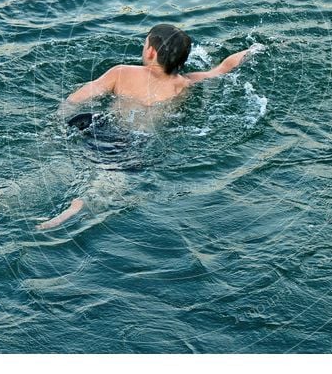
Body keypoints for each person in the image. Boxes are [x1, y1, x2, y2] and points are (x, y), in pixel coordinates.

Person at [37, 24, 259, 229]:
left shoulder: (121, 72)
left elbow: (75, 100)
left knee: (64, 168)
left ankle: (6, 196)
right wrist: (252, 50)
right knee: (109, 182)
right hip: (136, 143)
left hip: (100, 129)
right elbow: (222, 69)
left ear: (151, 51)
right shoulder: (185, 83)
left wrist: (55, 122)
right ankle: (80, 205)